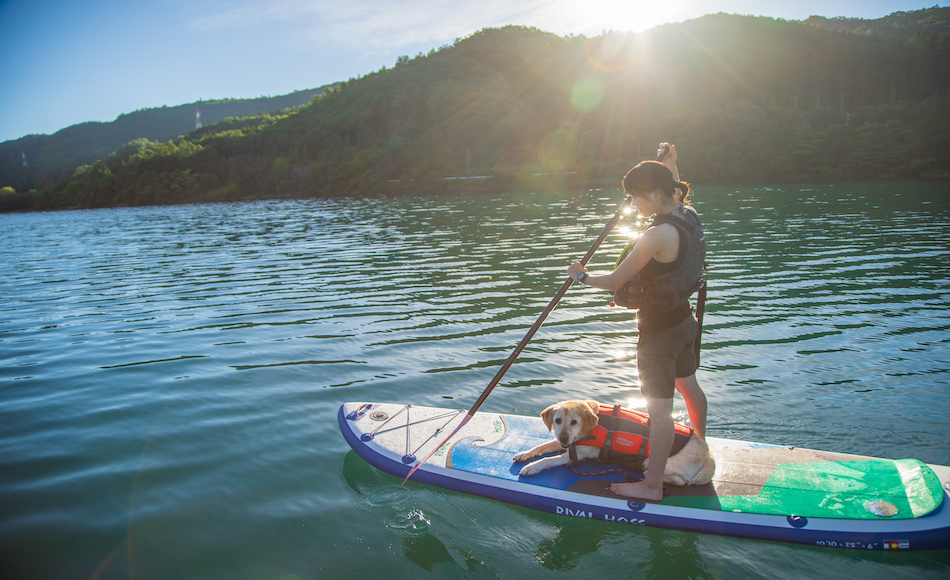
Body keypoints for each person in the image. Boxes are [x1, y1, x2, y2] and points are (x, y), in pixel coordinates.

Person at [566, 143, 708, 502]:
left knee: (659, 413)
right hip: (683, 321)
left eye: (637, 198)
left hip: (658, 335)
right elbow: (673, 187)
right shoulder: (687, 214)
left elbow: (614, 281)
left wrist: (580, 276)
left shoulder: (655, 235)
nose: (634, 205)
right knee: (689, 387)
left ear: (656, 194)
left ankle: (652, 485)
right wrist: (671, 164)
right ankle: (698, 446)